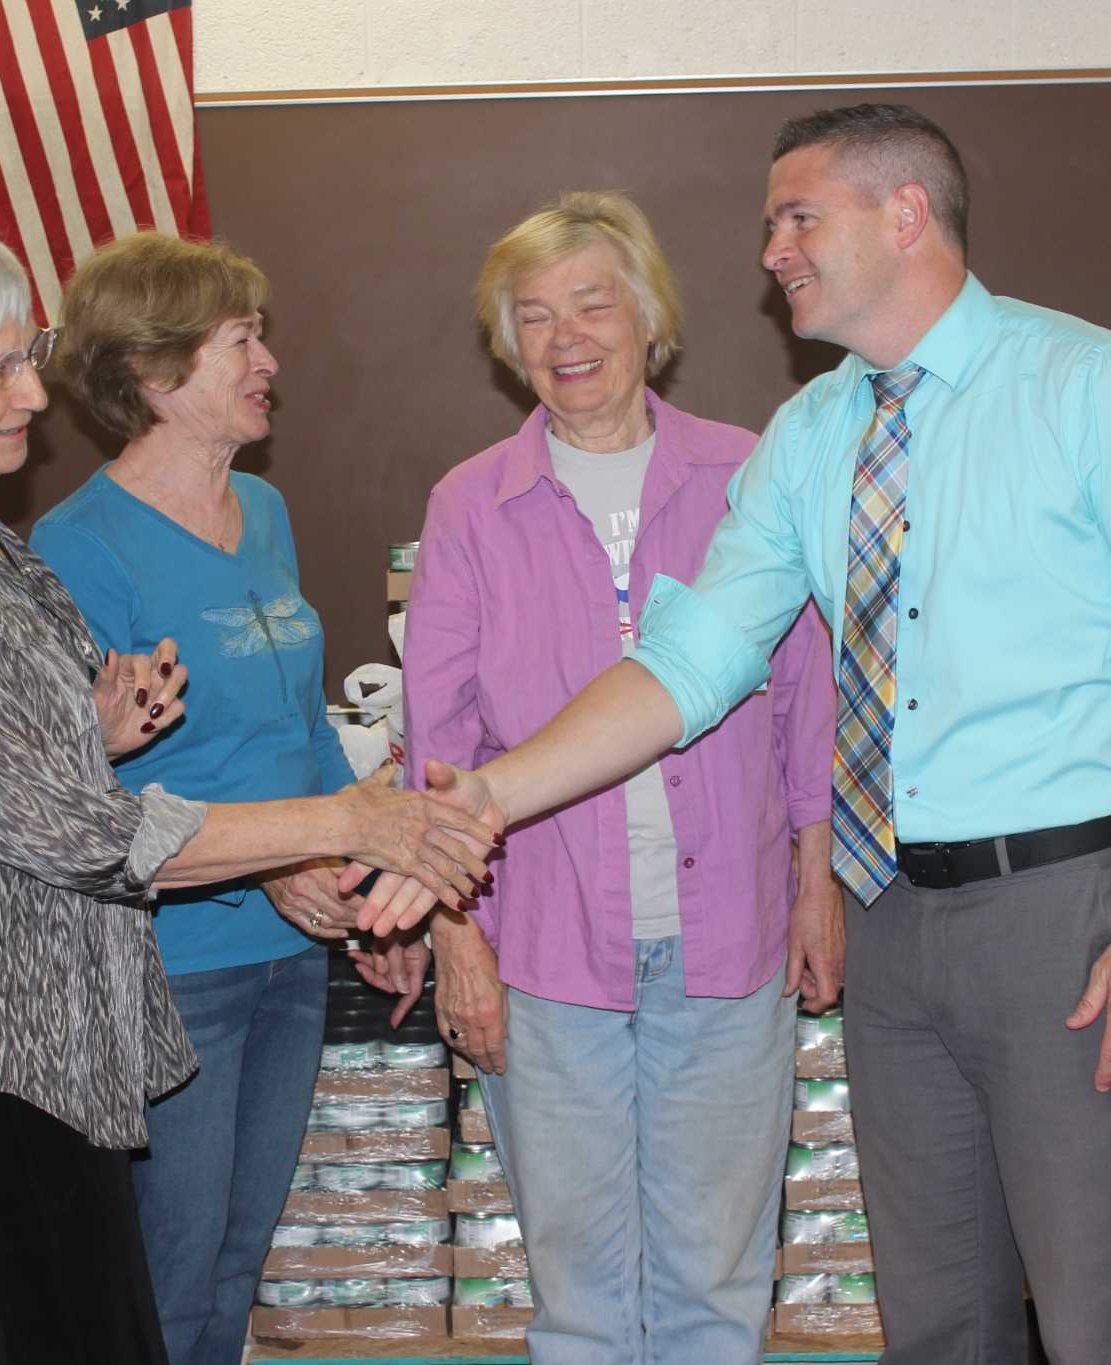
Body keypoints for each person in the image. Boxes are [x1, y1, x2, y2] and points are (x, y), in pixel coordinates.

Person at [363, 105, 1111, 1364]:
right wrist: (483, 805)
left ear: (902, 215)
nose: (771, 251)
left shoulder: (1090, 387)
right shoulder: (812, 435)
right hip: (891, 919)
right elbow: (688, 661)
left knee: (1094, 1310)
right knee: (938, 1313)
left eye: (798, 219)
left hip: (1063, 916)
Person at [0, 216, 497, 1365]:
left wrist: (87, 730)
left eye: (31, 350)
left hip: (42, 1030)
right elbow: (68, 833)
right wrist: (345, 820)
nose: (32, 391)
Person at [400, 191, 836, 1363]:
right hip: (544, 952)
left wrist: (813, 881)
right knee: (580, 1296)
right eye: (532, 315)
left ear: (648, 317)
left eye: (591, 303)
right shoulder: (468, 506)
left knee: (715, 1282)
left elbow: (803, 700)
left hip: (728, 939)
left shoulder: (750, 475)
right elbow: (435, 746)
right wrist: (457, 934)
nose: (564, 337)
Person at [28, 231, 400, 1365]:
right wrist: (284, 859)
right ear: (152, 374)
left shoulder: (267, 513)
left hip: (291, 957)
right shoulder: (78, 546)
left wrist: (369, 870)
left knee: (239, 1259)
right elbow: (88, 784)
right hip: (171, 970)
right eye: (239, 339)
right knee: (170, 1275)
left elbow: (296, 732)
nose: (267, 360)